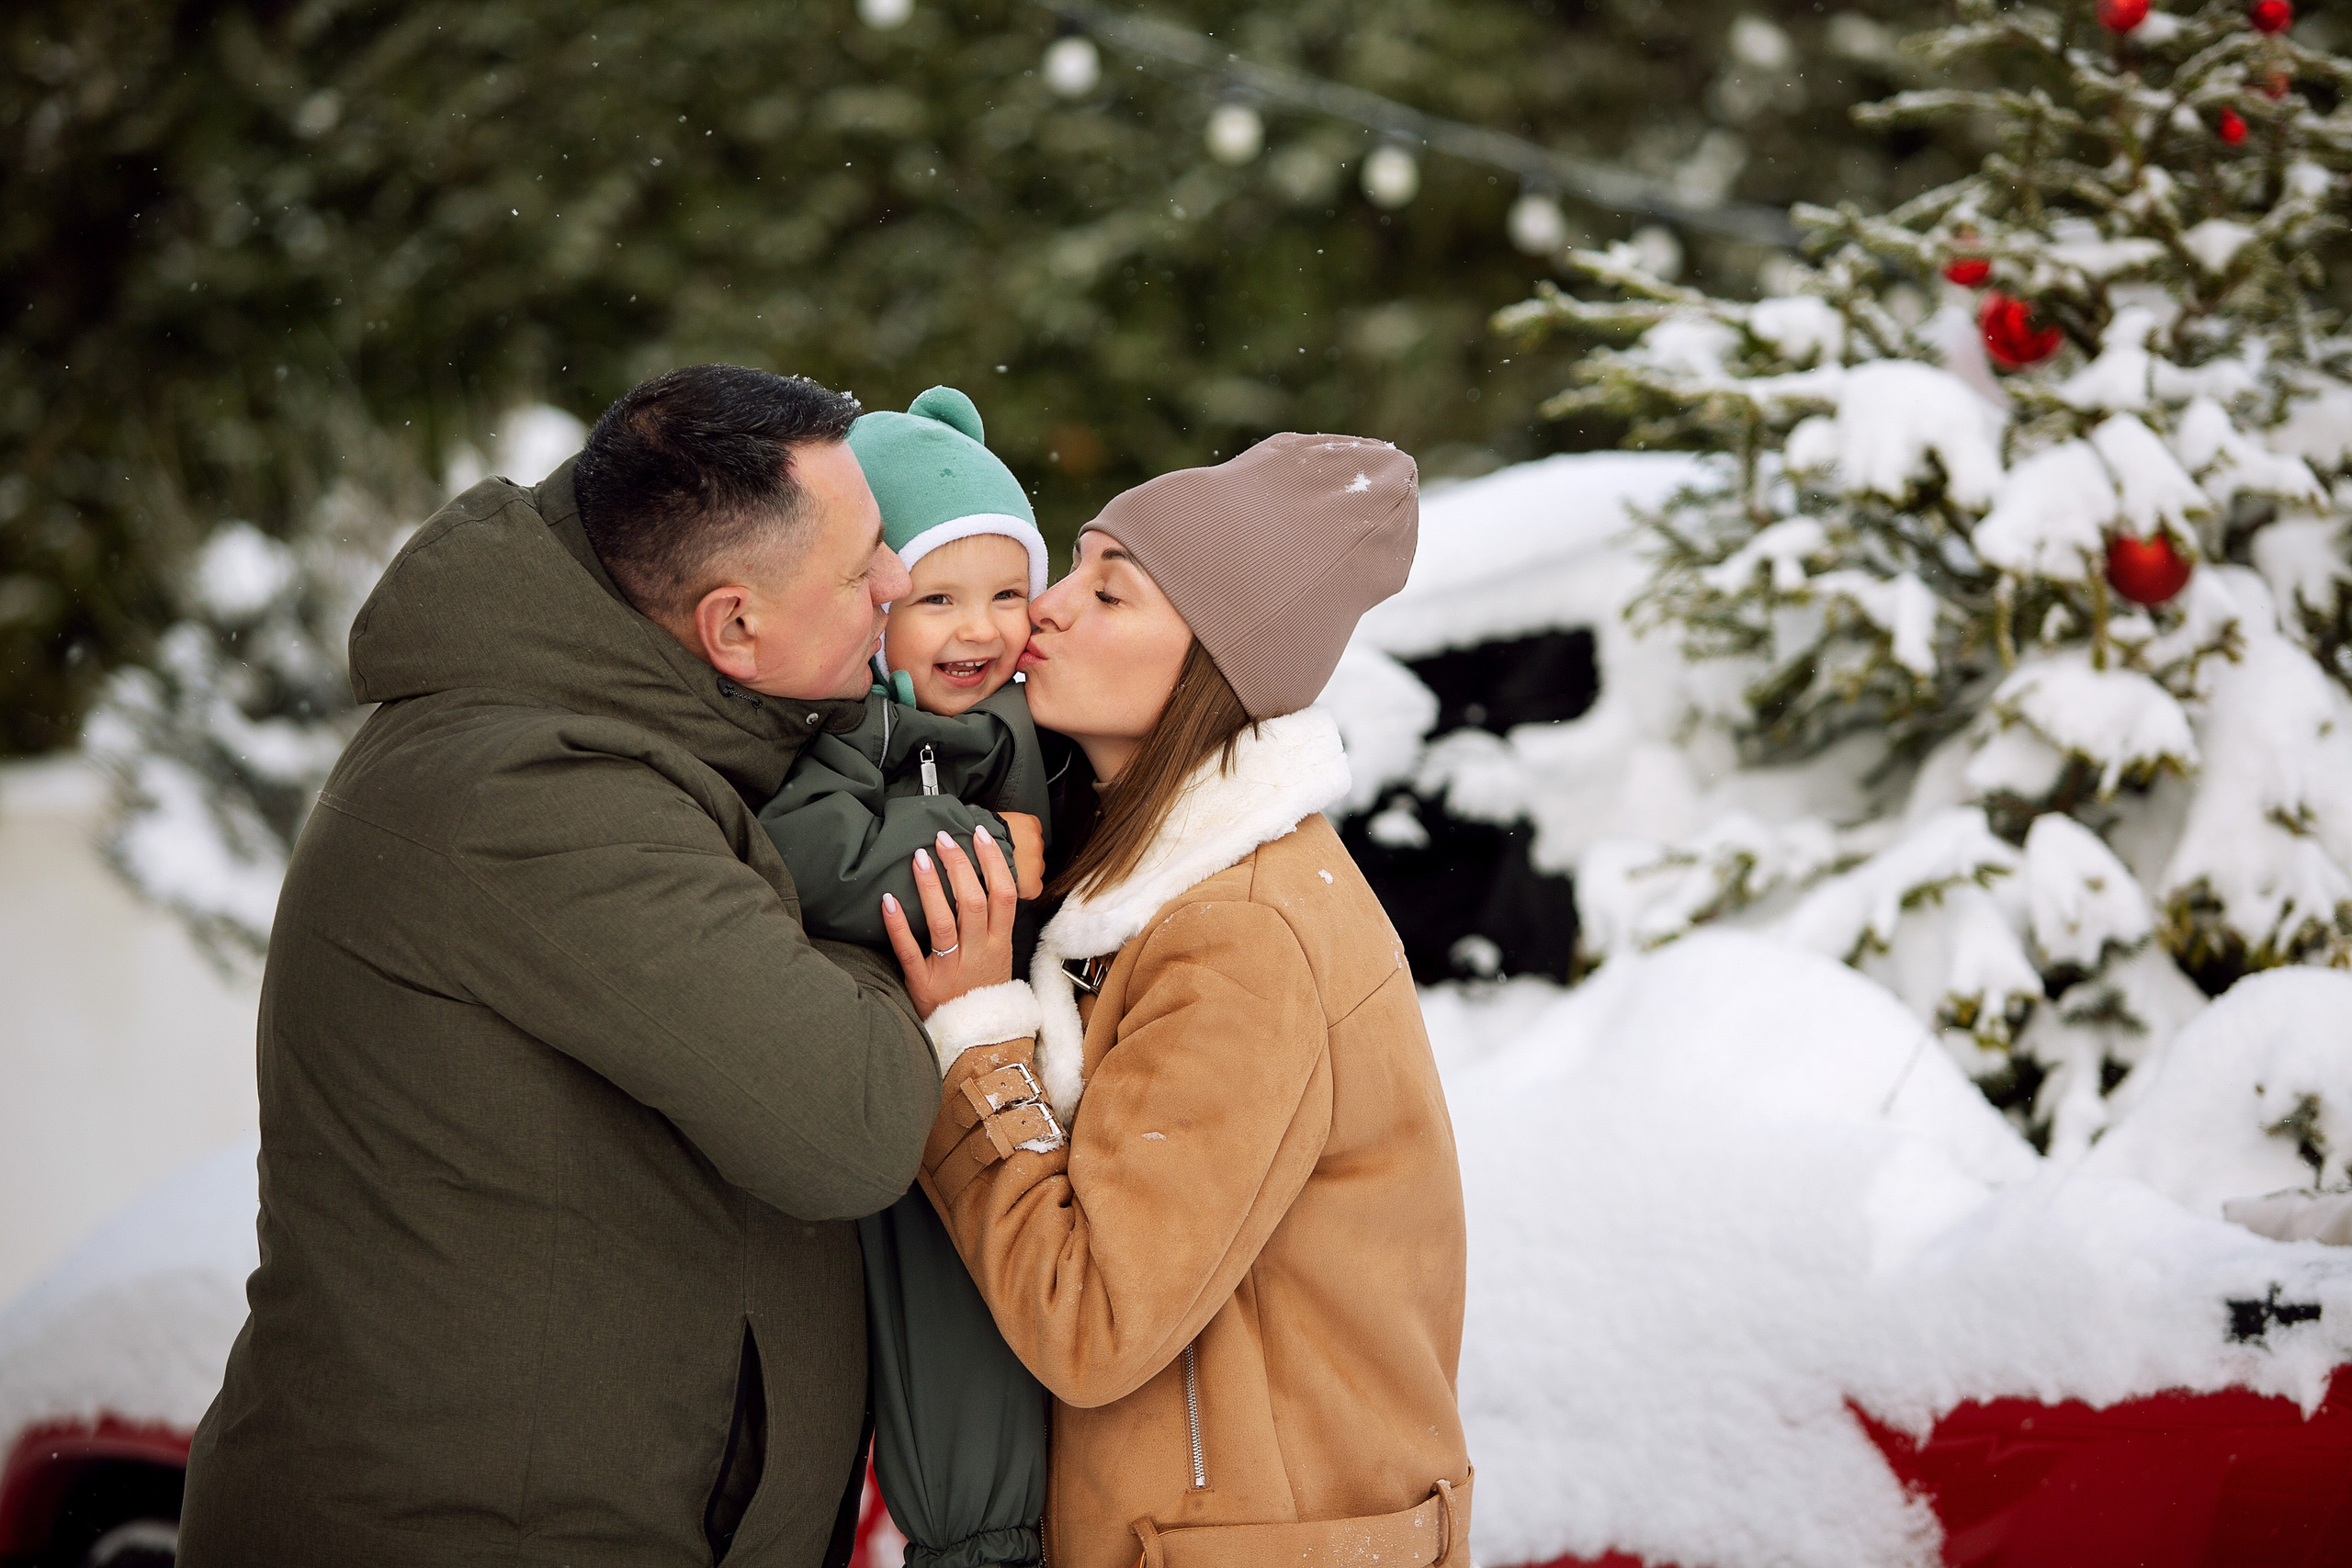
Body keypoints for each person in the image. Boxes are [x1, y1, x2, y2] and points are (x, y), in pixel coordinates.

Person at [177, 366, 1009, 1568]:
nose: (900, 583)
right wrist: (879, 911)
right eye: (866, 559)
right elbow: (851, 1118)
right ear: (733, 625)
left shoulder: (648, 739)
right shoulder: (534, 791)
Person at [881, 433, 1475, 1568]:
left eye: (1109, 591)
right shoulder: (1158, 888)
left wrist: (974, 1040)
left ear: (1216, 662)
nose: (1044, 609)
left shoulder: (1237, 935)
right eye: (1073, 567)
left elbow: (1093, 1319)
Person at [756, 385, 1057, 1568]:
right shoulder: (850, 734)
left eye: (1005, 592)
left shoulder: (1046, 714)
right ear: (874, 602)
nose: (976, 628)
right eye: (937, 597)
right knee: (950, 1334)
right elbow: (810, 852)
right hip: (917, 1084)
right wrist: (970, 842)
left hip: (1028, 1072)